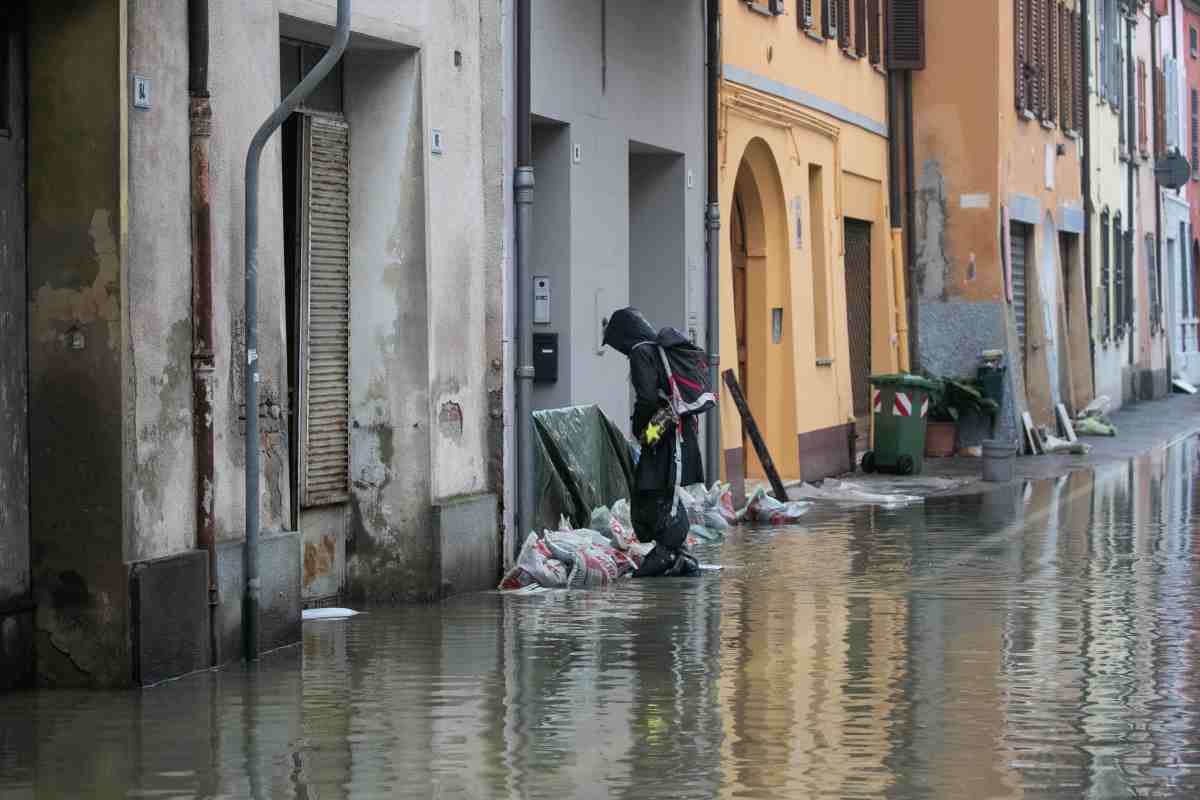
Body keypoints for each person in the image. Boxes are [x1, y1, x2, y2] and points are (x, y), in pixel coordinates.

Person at [602, 307, 702, 578]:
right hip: (677, 426)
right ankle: (673, 551)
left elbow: (646, 397)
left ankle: (668, 549)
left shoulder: (640, 352)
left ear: (624, 336)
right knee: (662, 483)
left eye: (617, 344)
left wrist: (641, 429)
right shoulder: (658, 349)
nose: (621, 350)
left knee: (654, 484)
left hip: (662, 427)